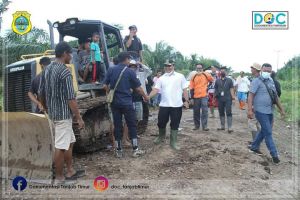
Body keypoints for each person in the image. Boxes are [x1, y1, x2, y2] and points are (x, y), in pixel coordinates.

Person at [39, 42, 85, 184]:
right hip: (63, 115)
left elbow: (41, 92)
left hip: (54, 113)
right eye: (70, 53)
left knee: (70, 142)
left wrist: (46, 108)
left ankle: (70, 171)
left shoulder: (47, 69)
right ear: (65, 53)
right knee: (60, 146)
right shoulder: (65, 71)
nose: (71, 56)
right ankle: (59, 177)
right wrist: (79, 117)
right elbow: (71, 98)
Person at [103, 52, 149, 158]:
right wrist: (145, 96)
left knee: (117, 125)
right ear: (126, 59)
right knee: (131, 124)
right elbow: (138, 88)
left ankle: (119, 150)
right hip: (127, 103)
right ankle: (135, 149)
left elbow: (104, 86)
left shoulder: (111, 70)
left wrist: (112, 91)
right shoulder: (130, 72)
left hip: (115, 103)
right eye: (129, 59)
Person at [248, 63, 285, 164]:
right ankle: (274, 155)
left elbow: (275, 96)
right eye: (265, 71)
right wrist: (250, 110)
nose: (267, 73)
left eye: (269, 71)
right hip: (260, 111)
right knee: (268, 132)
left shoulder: (271, 80)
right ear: (261, 70)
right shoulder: (256, 81)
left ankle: (254, 147)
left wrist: (281, 109)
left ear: (271, 72)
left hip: (270, 110)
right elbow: (250, 96)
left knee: (264, 131)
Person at [148, 60, 189, 150]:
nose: (168, 67)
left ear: (173, 66)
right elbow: (156, 89)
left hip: (177, 105)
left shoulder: (180, 76)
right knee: (161, 122)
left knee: (175, 123)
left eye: (169, 66)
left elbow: (185, 89)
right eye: (166, 66)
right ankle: (161, 136)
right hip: (164, 105)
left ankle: (173, 141)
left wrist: (186, 101)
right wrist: (148, 97)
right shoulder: (161, 78)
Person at [190, 64, 213, 131]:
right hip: (196, 96)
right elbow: (191, 87)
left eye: (200, 68)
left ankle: (205, 126)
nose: (199, 69)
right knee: (196, 112)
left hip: (204, 96)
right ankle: (196, 126)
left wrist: (208, 88)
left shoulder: (206, 75)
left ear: (202, 68)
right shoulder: (193, 76)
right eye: (197, 68)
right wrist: (191, 98)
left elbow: (212, 80)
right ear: (196, 69)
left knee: (205, 111)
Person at [214, 66, 235, 133]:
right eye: (221, 71)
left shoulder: (229, 80)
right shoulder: (217, 80)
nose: (223, 72)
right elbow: (216, 89)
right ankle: (222, 126)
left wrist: (233, 98)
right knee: (221, 112)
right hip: (220, 99)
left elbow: (231, 89)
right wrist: (214, 97)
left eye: (224, 71)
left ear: (226, 72)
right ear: (220, 72)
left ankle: (230, 127)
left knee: (228, 112)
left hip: (228, 98)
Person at [248, 63, 262, 141]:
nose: (251, 70)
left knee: (252, 123)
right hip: (261, 106)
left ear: (255, 70)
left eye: (252, 68)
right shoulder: (261, 79)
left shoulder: (256, 80)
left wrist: (250, 108)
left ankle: (256, 142)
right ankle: (258, 141)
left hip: (256, 105)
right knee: (257, 124)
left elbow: (252, 95)